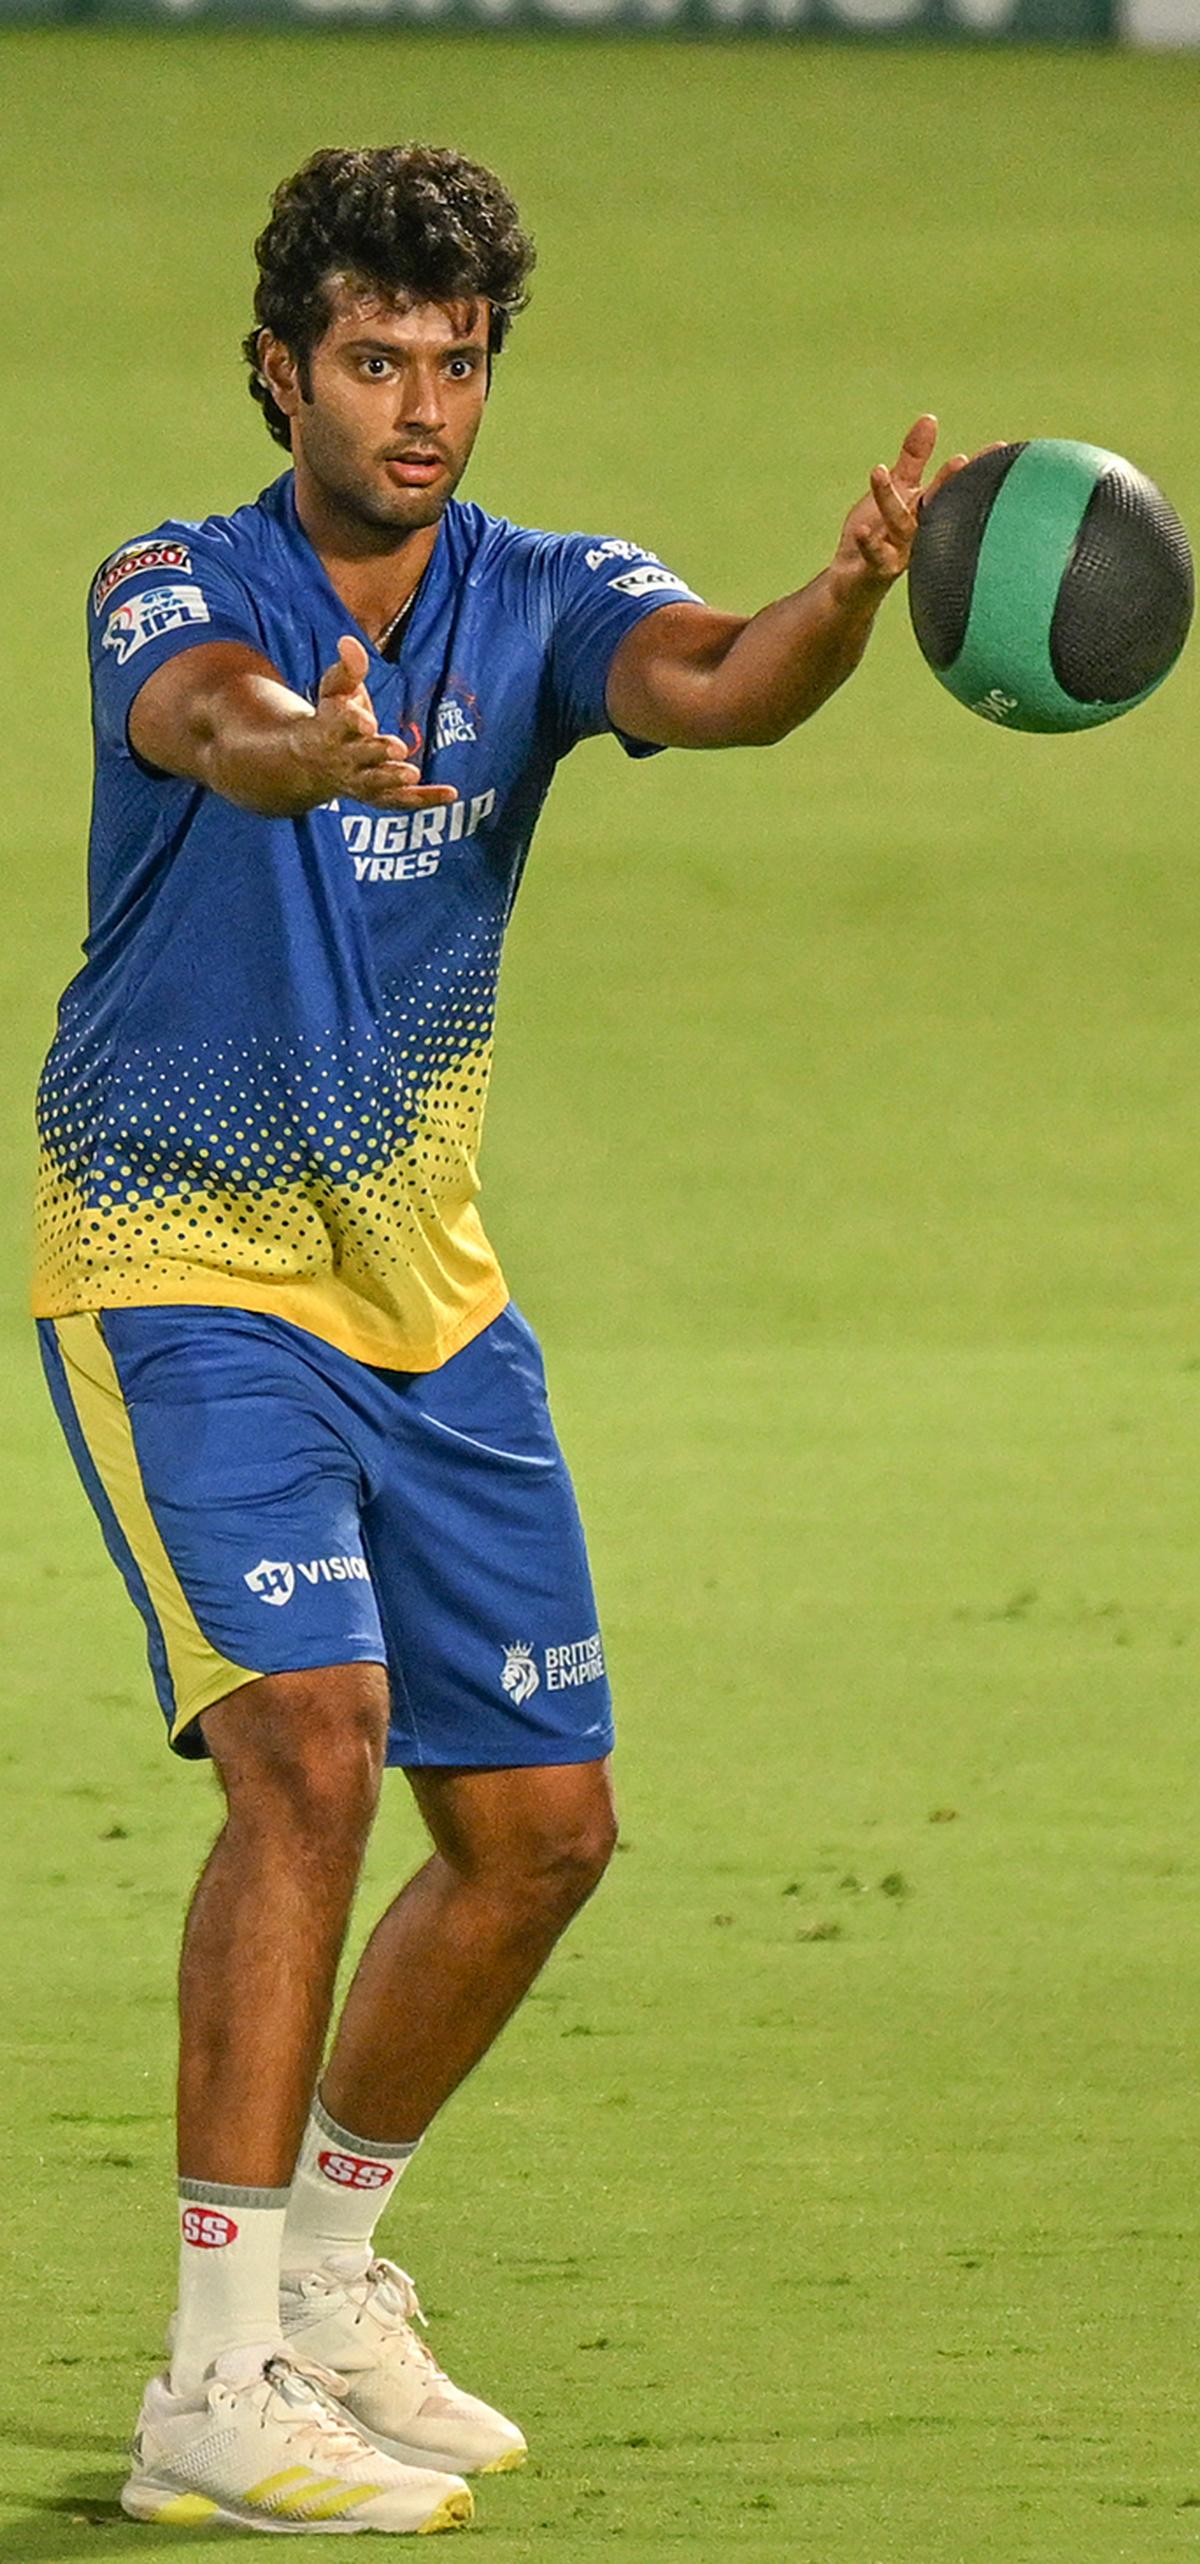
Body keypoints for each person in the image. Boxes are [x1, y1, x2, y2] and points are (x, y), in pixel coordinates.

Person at [32, 143, 970, 2538]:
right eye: (376, 357)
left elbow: (723, 683)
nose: (423, 402)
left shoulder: (546, 598)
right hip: (180, 1258)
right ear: (282, 369)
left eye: (457, 359)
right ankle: (214, 2383)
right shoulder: (182, 577)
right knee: (311, 1757)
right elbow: (207, 719)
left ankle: (338, 2274)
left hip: (428, 1293)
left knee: (541, 1833)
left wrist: (849, 593)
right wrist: (300, 750)